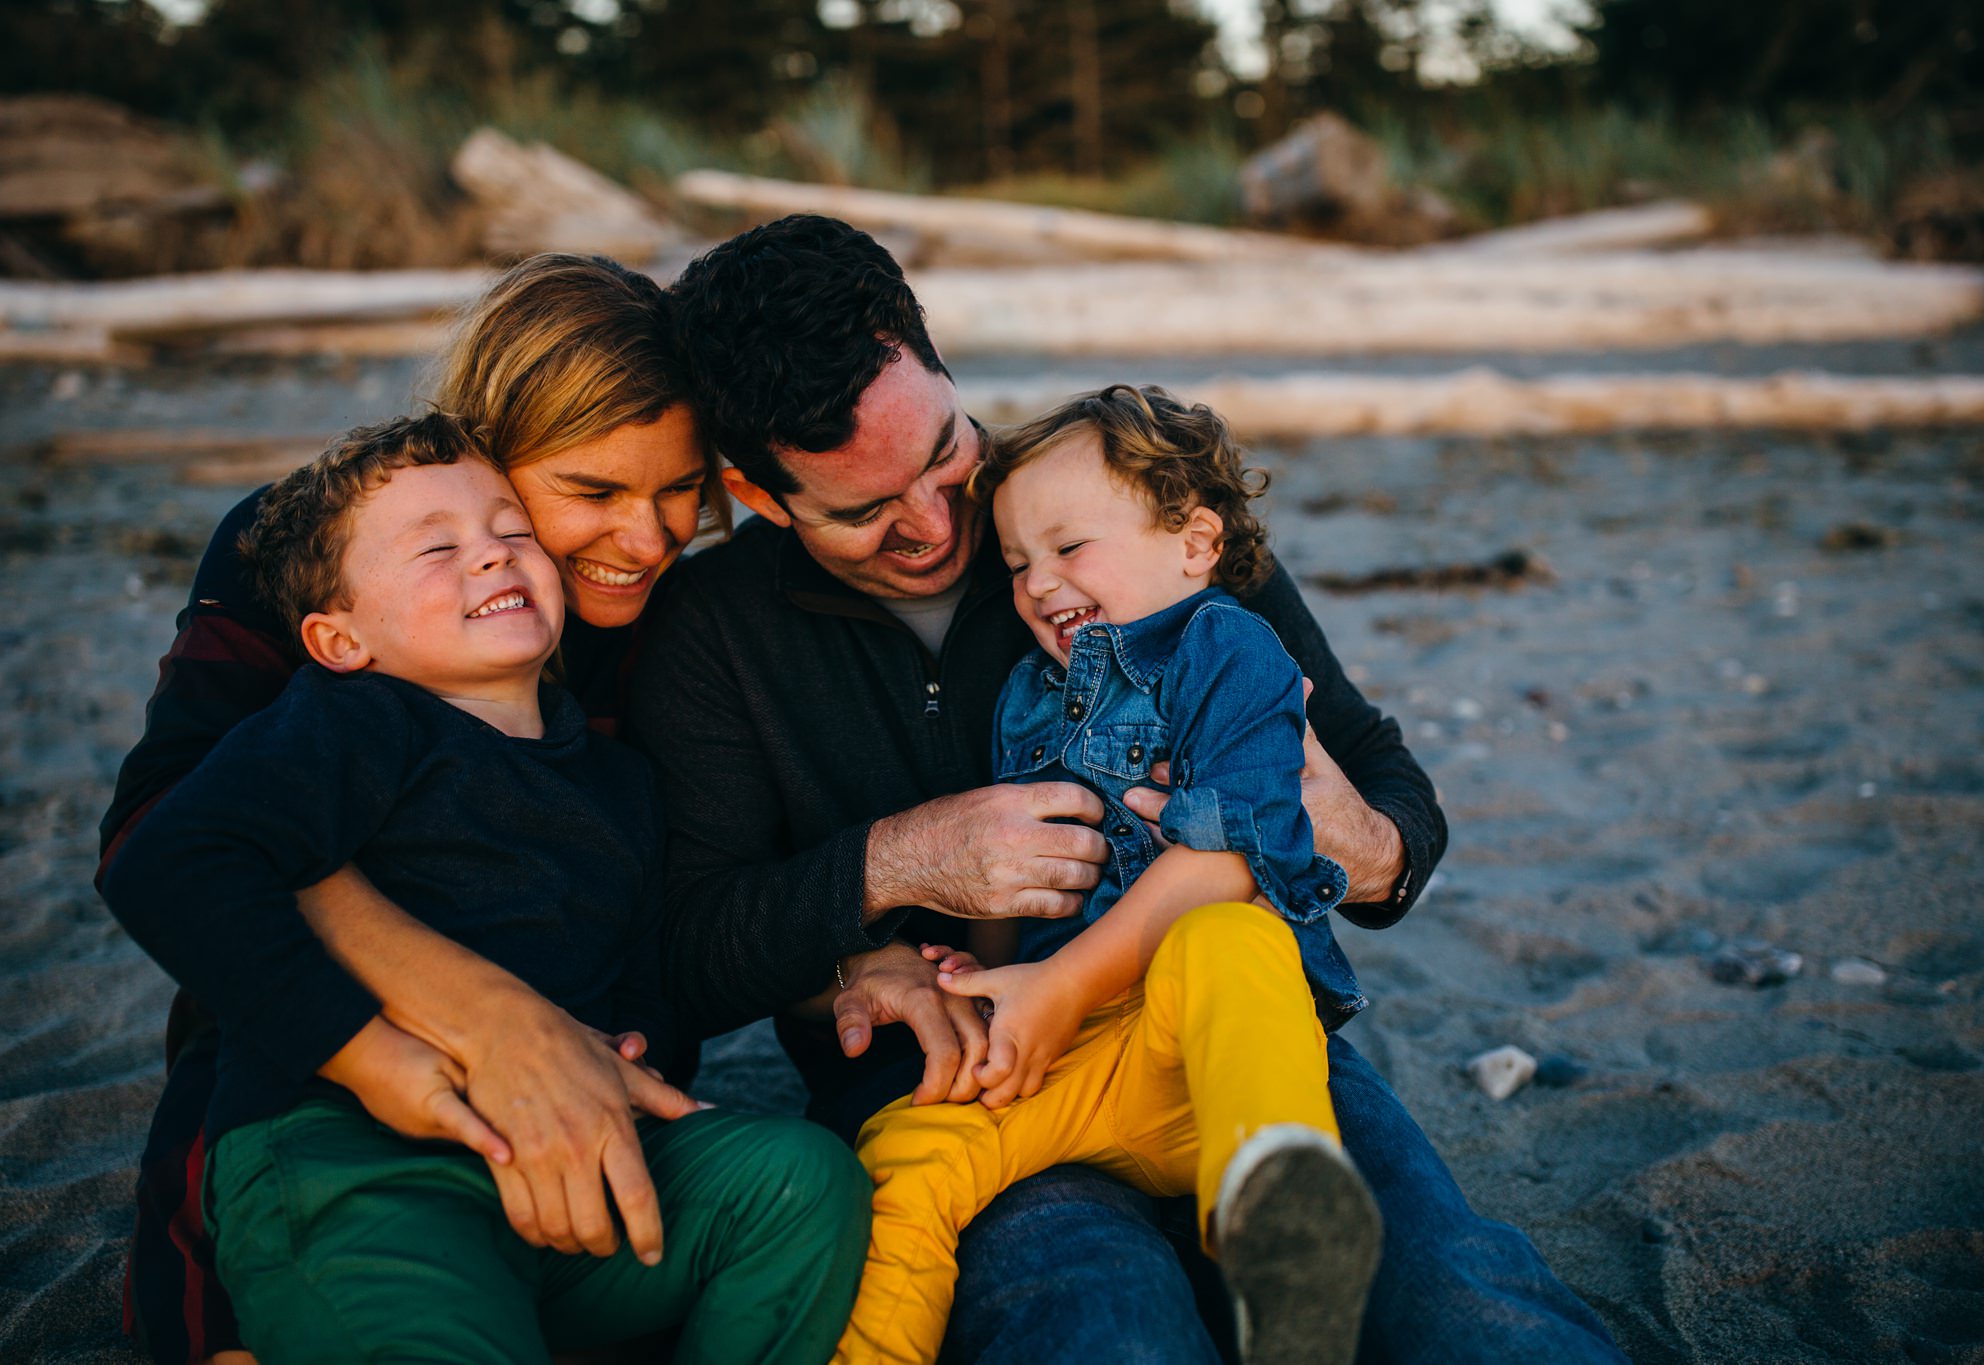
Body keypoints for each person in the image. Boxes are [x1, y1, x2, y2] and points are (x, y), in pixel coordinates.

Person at [638, 213, 1628, 1364]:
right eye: (859, 511)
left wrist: (1352, 838)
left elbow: (1389, 795)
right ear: (762, 498)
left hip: (1231, 1032)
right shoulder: (712, 637)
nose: (931, 525)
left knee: (1458, 1300)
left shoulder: (1114, 512)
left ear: (939, 365)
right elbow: (687, 947)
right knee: (1090, 1317)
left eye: (943, 455)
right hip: (976, 1073)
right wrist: (892, 873)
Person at [100, 253, 761, 1365]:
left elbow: (690, 884)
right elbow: (166, 833)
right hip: (316, 1065)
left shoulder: (677, 613)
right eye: (592, 494)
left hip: (580, 1090)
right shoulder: (316, 553)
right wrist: (484, 1014)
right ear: (489, 455)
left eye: (680, 491)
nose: (649, 541)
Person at [834, 383, 1380, 1365]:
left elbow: (1227, 861)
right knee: (905, 1150)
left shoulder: (1227, 650)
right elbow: (1018, 898)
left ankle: (1279, 1225)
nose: (1039, 582)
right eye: (1015, 563)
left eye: (1068, 546)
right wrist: (983, 981)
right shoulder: (1025, 698)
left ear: (1194, 543)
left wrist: (1057, 983)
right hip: (1079, 1055)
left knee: (1232, 935)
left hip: (1214, 1051)